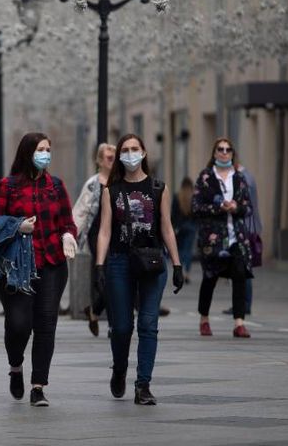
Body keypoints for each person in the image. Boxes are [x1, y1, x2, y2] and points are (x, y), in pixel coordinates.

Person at [0, 132, 78, 407]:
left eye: (48, 149)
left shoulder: (56, 186)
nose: (45, 154)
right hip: (16, 268)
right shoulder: (7, 186)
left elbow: (67, 222)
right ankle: (15, 367)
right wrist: (16, 225)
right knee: (19, 324)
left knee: (46, 324)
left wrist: (68, 236)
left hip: (51, 264)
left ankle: (39, 386)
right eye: (40, 149)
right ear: (27, 153)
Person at [95, 134, 184, 405]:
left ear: (144, 152)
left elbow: (167, 227)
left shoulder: (159, 188)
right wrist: (100, 265)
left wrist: (178, 263)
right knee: (121, 327)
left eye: (135, 149)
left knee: (148, 324)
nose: (130, 154)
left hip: (153, 262)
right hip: (121, 262)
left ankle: (143, 385)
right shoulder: (112, 190)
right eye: (125, 150)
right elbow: (105, 231)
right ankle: (119, 368)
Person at [193, 137, 254, 338]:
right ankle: (204, 318)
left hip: (236, 236)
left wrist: (236, 207)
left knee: (240, 274)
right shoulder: (205, 177)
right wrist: (218, 207)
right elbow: (196, 206)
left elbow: (248, 207)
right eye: (220, 149)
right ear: (214, 152)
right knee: (210, 276)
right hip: (212, 237)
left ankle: (239, 322)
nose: (224, 152)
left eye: (228, 149)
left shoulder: (239, 178)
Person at [72, 143, 116, 337]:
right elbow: (80, 212)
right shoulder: (93, 184)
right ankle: (112, 323)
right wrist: (70, 237)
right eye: (108, 157)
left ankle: (95, 310)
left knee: (119, 277)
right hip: (97, 235)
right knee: (108, 277)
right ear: (99, 161)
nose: (112, 160)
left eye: (115, 157)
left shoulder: (122, 181)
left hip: (120, 235)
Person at [224, 164, 262, 316]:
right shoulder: (247, 176)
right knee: (241, 268)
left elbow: (243, 204)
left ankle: (244, 304)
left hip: (244, 228)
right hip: (245, 227)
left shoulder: (242, 178)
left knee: (243, 268)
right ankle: (242, 304)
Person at [171, 177, 197, 284]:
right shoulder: (194, 197)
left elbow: (173, 214)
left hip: (180, 227)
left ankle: (180, 270)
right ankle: (187, 272)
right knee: (188, 250)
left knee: (180, 250)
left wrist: (174, 226)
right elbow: (197, 213)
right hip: (191, 227)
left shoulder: (177, 196)